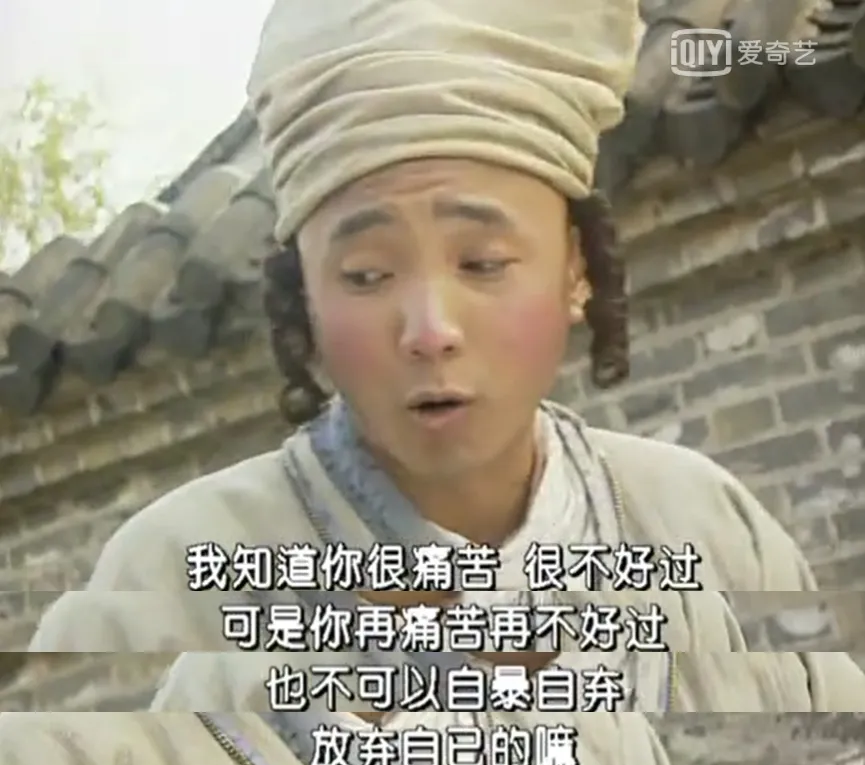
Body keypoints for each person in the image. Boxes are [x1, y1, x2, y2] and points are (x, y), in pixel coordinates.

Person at [21, 0, 865, 716]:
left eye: (483, 263)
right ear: (306, 301)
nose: (429, 329)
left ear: (575, 271)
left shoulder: (701, 526)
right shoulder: (164, 576)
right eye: (366, 275)